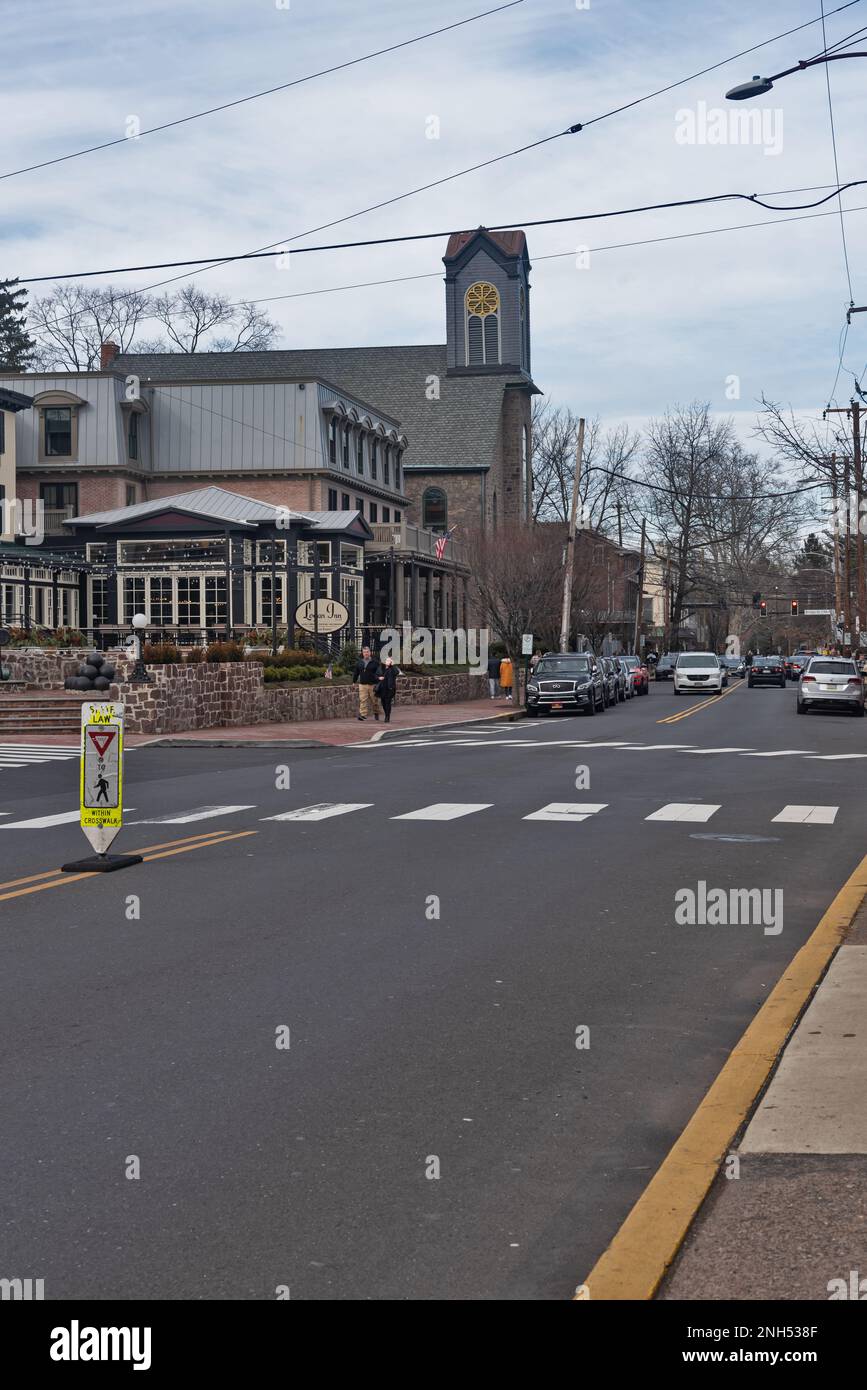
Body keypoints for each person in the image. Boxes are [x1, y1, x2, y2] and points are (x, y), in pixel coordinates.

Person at [353, 645, 381, 721]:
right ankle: (363, 715)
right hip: (362, 684)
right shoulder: (359, 663)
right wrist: (354, 681)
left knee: (374, 701)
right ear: (362, 653)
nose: (366, 653)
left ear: (370, 653)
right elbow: (356, 672)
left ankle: (376, 712)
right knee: (363, 700)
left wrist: (378, 680)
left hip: (373, 685)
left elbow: (379, 673)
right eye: (364, 652)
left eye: (367, 652)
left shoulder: (375, 662)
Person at [376, 656, 398, 723]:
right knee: (383, 702)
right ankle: (386, 713)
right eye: (387, 660)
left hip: (390, 688)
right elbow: (376, 675)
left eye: (389, 660)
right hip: (382, 688)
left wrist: (393, 665)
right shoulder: (381, 668)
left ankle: (387, 716)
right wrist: (379, 678)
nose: (388, 662)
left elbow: (396, 672)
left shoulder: (393, 668)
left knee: (388, 702)